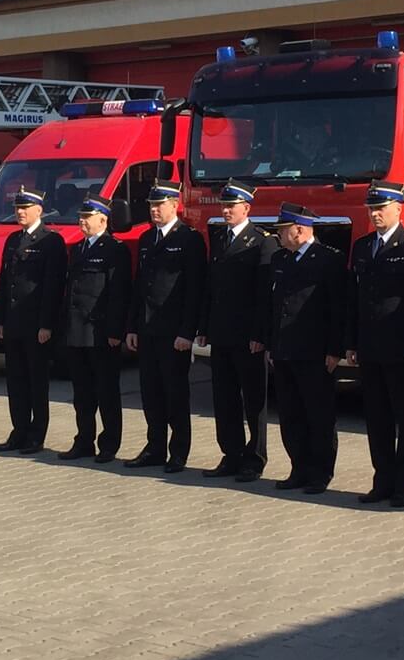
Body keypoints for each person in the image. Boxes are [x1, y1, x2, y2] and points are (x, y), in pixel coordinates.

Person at [346, 182, 404, 508]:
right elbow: (355, 300)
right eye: (372, 209)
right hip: (370, 348)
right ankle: (382, 481)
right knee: (377, 419)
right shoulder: (362, 246)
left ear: (398, 208)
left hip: (402, 350)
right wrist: (352, 342)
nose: (375, 214)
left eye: (381, 208)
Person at [125, 183, 207, 473]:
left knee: (175, 394)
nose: (154, 210)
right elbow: (140, 285)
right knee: (151, 392)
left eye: (159, 204)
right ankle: (155, 447)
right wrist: (132, 326)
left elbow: (194, 290)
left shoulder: (189, 239)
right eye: (151, 205)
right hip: (148, 328)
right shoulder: (147, 238)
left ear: (175, 205)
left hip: (173, 333)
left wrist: (187, 331)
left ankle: (179, 452)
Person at [200, 182, 278, 483]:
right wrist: (204, 327)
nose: (226, 210)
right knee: (224, 398)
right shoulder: (220, 239)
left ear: (246, 208)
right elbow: (210, 288)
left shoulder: (261, 242)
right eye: (224, 205)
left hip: (247, 337)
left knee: (254, 400)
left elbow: (263, 295)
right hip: (221, 333)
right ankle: (231, 454)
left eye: (231, 206)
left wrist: (260, 334)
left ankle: (255, 458)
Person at [268, 203, 348, 494]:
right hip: (284, 349)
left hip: (314, 352)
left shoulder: (328, 259)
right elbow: (274, 306)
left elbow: (338, 307)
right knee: (291, 415)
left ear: (299, 230)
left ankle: (320, 472)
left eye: (282, 230)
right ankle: (298, 468)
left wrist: (335, 349)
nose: (278, 235)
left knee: (319, 415)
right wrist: (271, 344)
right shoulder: (280, 258)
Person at [0, 186, 65, 453]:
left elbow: (52, 286)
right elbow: (5, 283)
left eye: (25, 208)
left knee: (36, 382)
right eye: (17, 208)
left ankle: (36, 434)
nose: (19, 212)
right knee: (16, 381)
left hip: (35, 325)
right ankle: (19, 430)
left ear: (39, 210)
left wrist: (46, 324)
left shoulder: (50, 241)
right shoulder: (13, 239)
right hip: (13, 323)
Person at [60, 197, 130, 462]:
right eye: (80, 216)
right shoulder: (78, 248)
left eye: (86, 217)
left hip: (100, 332)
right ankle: (84, 441)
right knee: (82, 394)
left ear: (103, 220)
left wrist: (115, 331)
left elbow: (118, 292)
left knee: (106, 392)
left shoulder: (115, 249)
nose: (82, 221)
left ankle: (109, 444)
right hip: (77, 330)